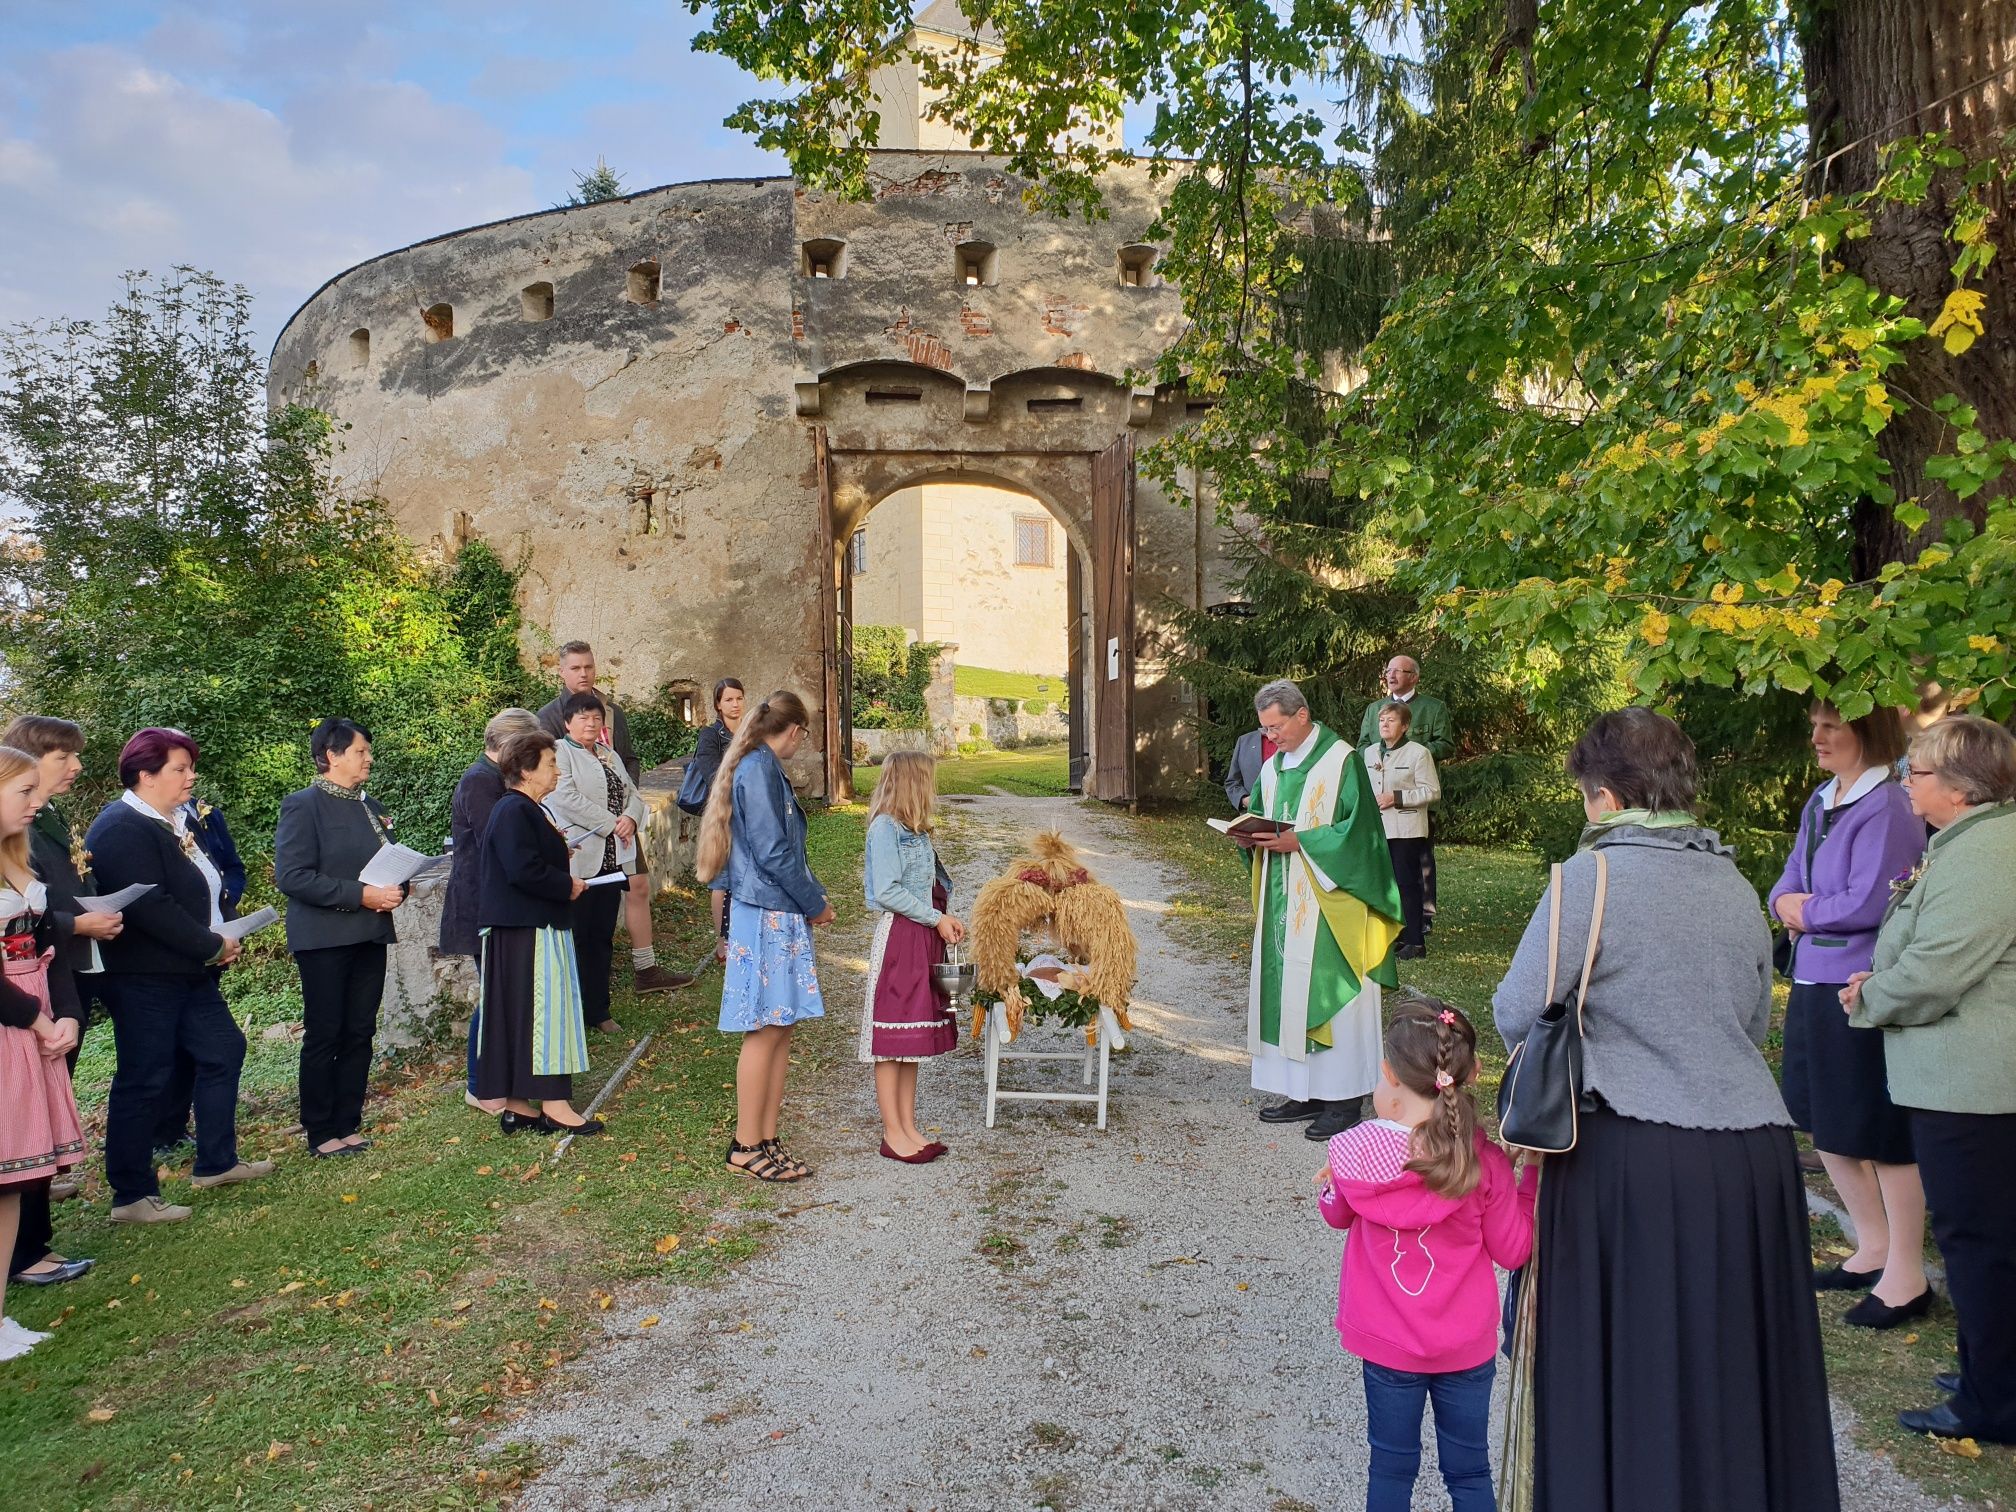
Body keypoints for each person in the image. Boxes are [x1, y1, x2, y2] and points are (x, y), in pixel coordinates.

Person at [1492, 708, 1837, 1512]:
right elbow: (1752, 1019)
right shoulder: (1734, 882)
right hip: (1750, 1159)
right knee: (1735, 1362)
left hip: (1627, 1156)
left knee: (1633, 1366)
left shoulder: (1588, 879)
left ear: (1606, 797)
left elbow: (1519, 1009)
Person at [1844, 715, 2016, 1444]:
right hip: (1960, 1082)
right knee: (1982, 1239)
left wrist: (1869, 996)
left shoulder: (1988, 856)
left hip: (1972, 1087)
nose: (1908, 784)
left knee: (1978, 1242)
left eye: (1917, 773)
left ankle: (1993, 1405)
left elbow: (1940, 968)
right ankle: (1989, 1371)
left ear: (1958, 785)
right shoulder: (1971, 844)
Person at [1317, 997, 1535, 1512]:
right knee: (1469, 1471)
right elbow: (1514, 1248)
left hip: (1388, 1344)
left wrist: (1331, 1187)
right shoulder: (1484, 1162)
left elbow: (1336, 1215)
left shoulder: (1357, 1155)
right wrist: (1531, 1187)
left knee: (1390, 1469)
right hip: (1465, 1347)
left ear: (1390, 1078)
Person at [1767, 701, 1929, 1325]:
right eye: (1814, 725)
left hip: (1859, 983)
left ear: (1867, 730)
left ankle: (1907, 1276)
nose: (1817, 737)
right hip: (1812, 977)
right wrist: (1792, 902)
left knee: (1878, 1130)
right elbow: (1789, 880)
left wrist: (1804, 912)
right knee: (1821, 1116)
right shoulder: (1822, 798)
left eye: (1830, 726)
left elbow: (1870, 899)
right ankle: (1873, 1245)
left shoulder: (1887, 803)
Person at [85, 729, 272, 1224]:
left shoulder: (167, 821)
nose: (191, 777)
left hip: (186, 969)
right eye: (179, 769)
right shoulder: (122, 826)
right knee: (144, 1078)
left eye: (191, 767)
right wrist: (211, 945)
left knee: (222, 1048)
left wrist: (216, 941)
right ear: (145, 776)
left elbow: (197, 889)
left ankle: (216, 1162)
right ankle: (130, 1194)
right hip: (144, 975)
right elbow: (152, 907)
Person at [1244, 680, 1403, 1142]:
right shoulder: (1273, 768)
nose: (1271, 737)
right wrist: (1248, 836)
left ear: (1302, 715)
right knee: (1286, 990)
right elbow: (1260, 812)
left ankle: (1344, 1099)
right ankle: (1303, 1091)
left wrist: (1303, 842)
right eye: (1266, 730)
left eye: (1276, 727)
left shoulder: (1342, 761)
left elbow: (1362, 835)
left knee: (1332, 992)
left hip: (1334, 901)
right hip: (1283, 896)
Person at [696, 691, 833, 1183]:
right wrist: (814, 903)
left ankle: (767, 1138)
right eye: (805, 733)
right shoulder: (758, 768)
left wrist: (808, 899)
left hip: (779, 910)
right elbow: (774, 853)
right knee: (765, 1029)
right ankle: (745, 1144)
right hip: (767, 912)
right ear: (794, 730)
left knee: (781, 1025)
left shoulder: (762, 765)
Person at [2, 719, 109, 1286]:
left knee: (33, 1135)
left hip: (46, 997)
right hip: (15, 1014)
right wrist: (39, 1018)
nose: (75, 767)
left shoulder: (32, 837)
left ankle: (30, 1247)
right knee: (13, 1141)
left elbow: (43, 935)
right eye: (65, 756)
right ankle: (24, 1255)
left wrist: (64, 1012)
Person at [273, 719, 407, 1159]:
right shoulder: (302, 806)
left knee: (360, 1030)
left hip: (369, 933)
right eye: (361, 751)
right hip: (325, 938)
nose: (369, 758)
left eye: (368, 751)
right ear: (331, 755)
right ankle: (319, 1129)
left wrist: (395, 889)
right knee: (326, 1032)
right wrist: (362, 895)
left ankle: (348, 1121)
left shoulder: (372, 806)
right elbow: (292, 876)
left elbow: (386, 860)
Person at [0, 744, 89, 1356]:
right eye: (23, 793)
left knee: (15, 1181)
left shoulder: (18, 861)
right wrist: (34, 1018)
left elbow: (47, 947)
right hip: (9, 1029)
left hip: (35, 1025)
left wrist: (68, 1017)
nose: (38, 803)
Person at [470, 729, 602, 1135]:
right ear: (526, 770)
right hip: (530, 929)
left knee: (520, 1014)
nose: (557, 770)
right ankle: (554, 1104)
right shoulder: (515, 810)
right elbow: (522, 870)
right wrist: (567, 884)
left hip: (522, 928)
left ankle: (517, 1104)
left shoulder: (524, 810)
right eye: (550, 763)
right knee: (545, 1013)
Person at [539, 641, 690, 993]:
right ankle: (580, 985)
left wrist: (628, 810)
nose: (584, 674)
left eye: (588, 667)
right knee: (583, 901)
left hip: (621, 822)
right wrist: (606, 817)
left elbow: (629, 760)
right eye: (575, 668)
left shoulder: (611, 712)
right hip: (578, 828)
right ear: (561, 673)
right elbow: (550, 779)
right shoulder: (547, 718)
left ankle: (646, 968)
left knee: (637, 885)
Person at [859, 751, 964, 1163]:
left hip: (921, 935)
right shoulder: (886, 828)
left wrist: (944, 919)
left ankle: (908, 1125)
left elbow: (929, 887)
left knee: (911, 1038)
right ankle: (892, 1133)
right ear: (913, 782)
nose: (933, 790)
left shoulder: (916, 831)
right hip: (901, 938)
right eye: (928, 781)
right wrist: (935, 917)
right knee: (892, 1038)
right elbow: (886, 890)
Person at [443, 708, 543, 1110]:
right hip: (480, 906)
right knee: (494, 996)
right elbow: (499, 840)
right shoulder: (479, 782)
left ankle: (501, 1080)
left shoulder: (494, 778)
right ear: (504, 746)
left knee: (504, 994)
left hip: (499, 904)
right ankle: (479, 1084)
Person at [151, 789, 247, 1158]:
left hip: (214, 937)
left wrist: (224, 903)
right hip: (177, 950)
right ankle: (162, 1129)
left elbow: (230, 867)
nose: (191, 776)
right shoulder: (146, 823)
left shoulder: (207, 814)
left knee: (208, 1045)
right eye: (180, 767)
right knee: (174, 1045)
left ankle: (185, 1132)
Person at [547, 691, 648, 1036]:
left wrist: (631, 820)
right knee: (577, 937)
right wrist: (610, 822)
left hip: (613, 858)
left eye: (596, 718)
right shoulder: (560, 753)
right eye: (583, 718)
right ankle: (572, 1014)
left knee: (602, 936)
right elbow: (564, 797)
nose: (591, 724)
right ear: (567, 723)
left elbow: (633, 793)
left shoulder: (608, 755)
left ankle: (599, 1010)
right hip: (581, 861)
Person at [1358, 655, 1452, 934]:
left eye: (1399, 671)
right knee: (1383, 861)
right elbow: (1363, 743)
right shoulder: (1374, 708)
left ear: (1414, 676)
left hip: (1414, 796)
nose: (1392, 675)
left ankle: (1422, 917)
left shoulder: (1433, 708)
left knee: (1419, 860)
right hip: (1378, 800)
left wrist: (1410, 754)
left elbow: (1445, 745)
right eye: (1388, 670)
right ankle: (1389, 916)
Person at [1363, 703, 1441, 961]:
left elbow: (1431, 791)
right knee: (1385, 883)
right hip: (1378, 827)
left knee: (1407, 883)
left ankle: (1415, 941)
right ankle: (1394, 934)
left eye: (1391, 720)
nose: (1384, 724)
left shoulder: (1418, 753)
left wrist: (1396, 797)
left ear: (1405, 725)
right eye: (1382, 720)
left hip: (1406, 829)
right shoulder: (1371, 752)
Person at [679, 678, 746, 957]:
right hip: (720, 812)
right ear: (718, 704)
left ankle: (741, 934)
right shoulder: (711, 735)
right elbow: (710, 772)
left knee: (743, 873)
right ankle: (722, 942)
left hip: (748, 812)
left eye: (739, 698)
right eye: (728, 699)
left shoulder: (750, 731)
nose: (734, 704)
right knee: (721, 878)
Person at [1223, 720, 1272, 811]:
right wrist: (1244, 800)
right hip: (1253, 816)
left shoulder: (1292, 741)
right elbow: (1232, 782)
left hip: (1288, 816)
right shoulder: (1244, 741)